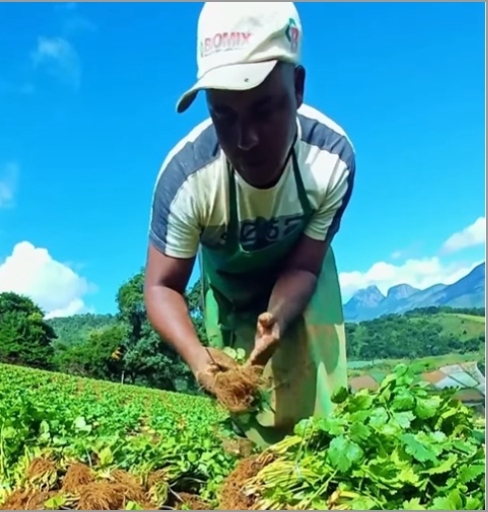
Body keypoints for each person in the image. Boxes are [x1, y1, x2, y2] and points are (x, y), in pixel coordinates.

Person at [144, 2, 354, 448]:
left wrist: (277, 319)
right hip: (230, 289)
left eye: (265, 109)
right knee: (246, 417)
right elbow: (162, 287)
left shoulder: (332, 162)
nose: (246, 138)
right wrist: (199, 362)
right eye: (224, 115)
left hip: (304, 280)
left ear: (297, 88)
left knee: (324, 406)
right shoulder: (186, 181)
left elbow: (304, 267)